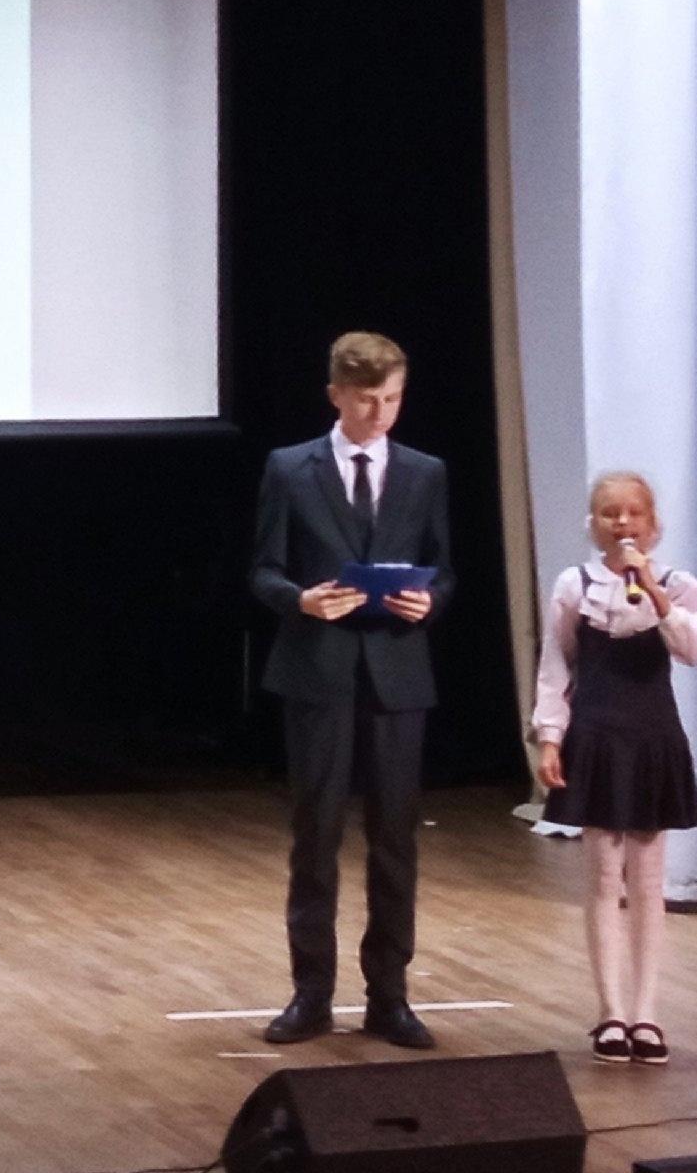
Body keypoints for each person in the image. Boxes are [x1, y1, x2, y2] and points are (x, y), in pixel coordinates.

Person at [249, 331, 454, 1049]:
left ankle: (389, 997)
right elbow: (264, 569)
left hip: (397, 675)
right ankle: (311, 994)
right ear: (336, 394)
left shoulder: (424, 472)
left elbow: (443, 569)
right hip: (320, 672)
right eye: (367, 399)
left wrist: (430, 602)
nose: (380, 413)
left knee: (395, 839)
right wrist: (300, 600)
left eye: (392, 399)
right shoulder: (291, 468)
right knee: (317, 836)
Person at [533, 471, 697, 1066]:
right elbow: (556, 665)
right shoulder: (575, 584)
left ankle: (647, 1014)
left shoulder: (678, 585)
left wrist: (654, 592)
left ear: (653, 523)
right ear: (594, 523)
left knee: (649, 882)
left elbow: (693, 651)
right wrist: (550, 738)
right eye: (610, 513)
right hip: (597, 737)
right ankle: (610, 1012)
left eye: (634, 513)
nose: (623, 523)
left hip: (653, 737)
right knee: (604, 878)